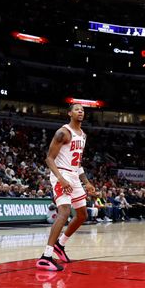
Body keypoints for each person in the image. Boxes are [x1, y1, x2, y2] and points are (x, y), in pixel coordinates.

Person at [36, 103, 94, 272]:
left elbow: (77, 163)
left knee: (82, 215)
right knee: (64, 211)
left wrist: (86, 182)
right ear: (70, 113)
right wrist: (61, 179)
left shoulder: (83, 135)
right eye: (77, 109)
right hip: (61, 174)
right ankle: (46, 257)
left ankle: (60, 245)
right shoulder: (63, 132)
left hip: (74, 175)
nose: (80, 111)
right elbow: (49, 159)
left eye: (82, 110)